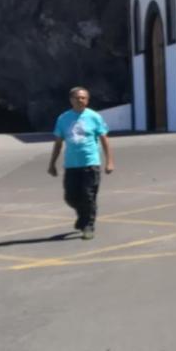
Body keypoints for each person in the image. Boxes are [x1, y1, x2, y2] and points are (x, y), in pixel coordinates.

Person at [47, 86, 114, 240]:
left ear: (87, 100)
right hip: (71, 165)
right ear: (71, 100)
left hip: (90, 163)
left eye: (83, 98)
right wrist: (52, 164)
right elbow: (58, 143)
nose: (80, 100)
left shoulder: (94, 117)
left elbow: (104, 139)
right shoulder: (63, 118)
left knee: (88, 196)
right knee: (70, 197)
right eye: (77, 98)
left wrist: (109, 161)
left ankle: (88, 225)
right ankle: (83, 215)